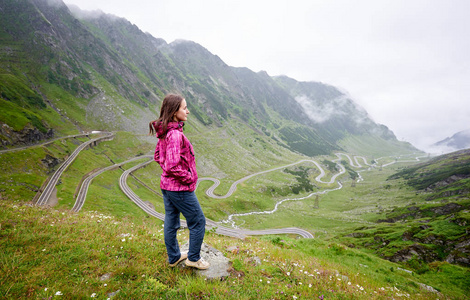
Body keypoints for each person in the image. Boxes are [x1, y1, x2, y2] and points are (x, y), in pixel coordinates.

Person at [149, 94, 209, 270]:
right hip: (179, 188)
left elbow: (158, 156)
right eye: (184, 108)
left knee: (171, 220)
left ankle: (174, 257)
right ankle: (194, 258)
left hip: (166, 186)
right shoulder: (174, 134)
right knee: (198, 221)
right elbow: (172, 166)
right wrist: (189, 178)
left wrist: (168, 171)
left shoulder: (165, 131)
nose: (188, 111)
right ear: (175, 112)